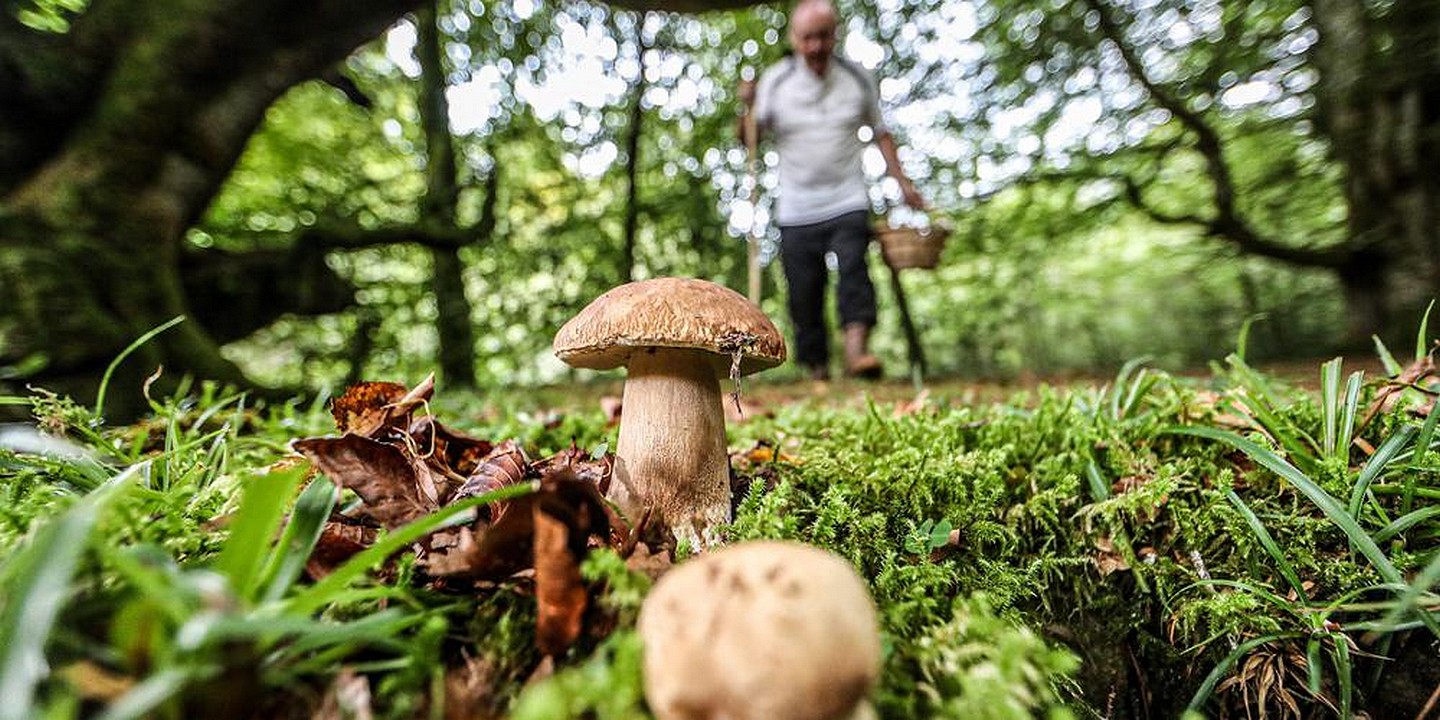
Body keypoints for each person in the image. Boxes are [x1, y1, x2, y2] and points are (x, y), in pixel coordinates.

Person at [738, 0, 926, 381]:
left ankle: (857, 353)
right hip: (796, 205)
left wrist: (903, 183)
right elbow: (748, 139)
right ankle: (817, 369)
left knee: (855, 272)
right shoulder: (776, 80)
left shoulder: (857, 78)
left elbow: (881, 134)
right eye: (807, 38)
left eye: (823, 36)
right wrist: (746, 108)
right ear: (794, 38)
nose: (815, 47)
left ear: (835, 34)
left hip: (848, 197)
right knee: (804, 291)